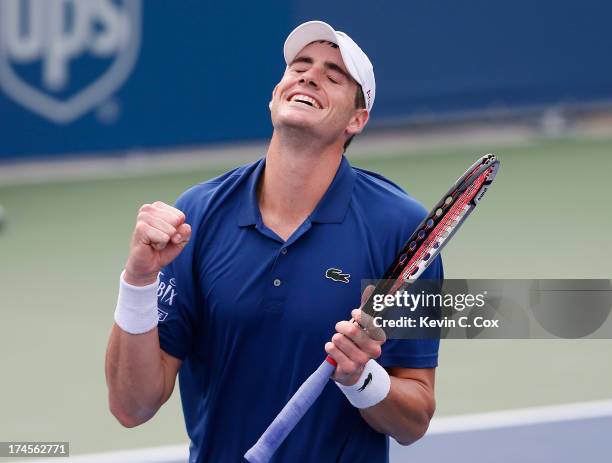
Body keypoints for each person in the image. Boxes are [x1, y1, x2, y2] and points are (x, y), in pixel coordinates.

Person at [105, 20, 443, 462]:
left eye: (333, 75)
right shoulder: (200, 213)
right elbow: (131, 406)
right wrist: (139, 279)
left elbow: (414, 421)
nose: (308, 75)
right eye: (299, 65)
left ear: (357, 120)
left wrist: (362, 378)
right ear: (275, 95)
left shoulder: (404, 229)